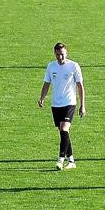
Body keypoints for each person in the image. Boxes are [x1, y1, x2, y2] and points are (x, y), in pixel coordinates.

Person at [38, 42, 86, 170]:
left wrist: (83, 105)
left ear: (67, 53)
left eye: (62, 54)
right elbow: (46, 83)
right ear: (55, 54)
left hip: (69, 103)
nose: (60, 57)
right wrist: (42, 97)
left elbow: (80, 86)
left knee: (64, 129)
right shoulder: (51, 66)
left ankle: (60, 159)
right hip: (56, 104)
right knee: (63, 132)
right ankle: (71, 161)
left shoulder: (74, 66)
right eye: (58, 55)